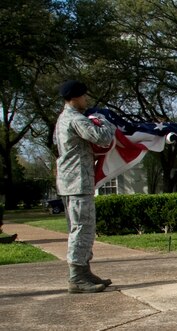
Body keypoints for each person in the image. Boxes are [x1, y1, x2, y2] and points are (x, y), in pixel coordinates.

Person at [54, 80, 115, 293]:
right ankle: (77, 277)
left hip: (69, 181)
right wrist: (105, 121)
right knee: (83, 228)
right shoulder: (75, 119)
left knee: (79, 227)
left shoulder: (61, 119)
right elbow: (102, 137)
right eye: (84, 96)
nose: (86, 100)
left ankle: (84, 271)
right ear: (75, 98)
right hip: (78, 181)